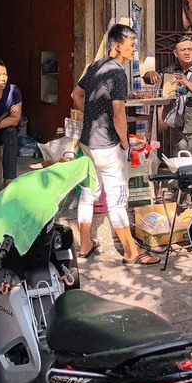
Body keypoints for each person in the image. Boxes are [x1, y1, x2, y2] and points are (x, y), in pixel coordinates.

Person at [72, 23, 159, 266]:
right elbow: (119, 112)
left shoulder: (94, 66)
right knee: (118, 198)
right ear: (117, 45)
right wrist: (124, 141)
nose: (134, 49)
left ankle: (85, 244)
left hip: (89, 142)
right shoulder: (117, 72)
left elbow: (75, 95)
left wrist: (90, 117)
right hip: (109, 145)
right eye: (131, 45)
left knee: (88, 194)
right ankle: (131, 251)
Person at [144, 35, 192, 158]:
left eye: (190, 49)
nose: (187, 53)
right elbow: (151, 79)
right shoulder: (171, 70)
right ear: (176, 54)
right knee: (180, 166)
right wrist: (148, 74)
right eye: (183, 50)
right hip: (178, 128)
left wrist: (187, 83)